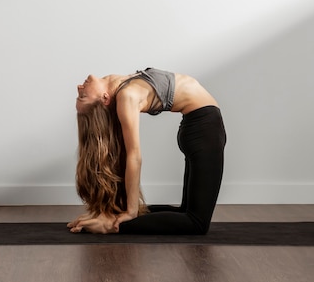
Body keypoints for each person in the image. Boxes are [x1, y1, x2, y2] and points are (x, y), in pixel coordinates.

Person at [67, 67, 227, 235]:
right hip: (204, 130)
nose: (79, 87)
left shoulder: (119, 84)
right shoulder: (127, 95)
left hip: (199, 128)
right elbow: (134, 156)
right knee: (197, 223)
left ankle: (113, 218)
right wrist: (131, 211)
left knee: (186, 212)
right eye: (82, 96)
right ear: (104, 98)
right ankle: (115, 225)